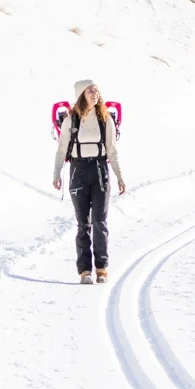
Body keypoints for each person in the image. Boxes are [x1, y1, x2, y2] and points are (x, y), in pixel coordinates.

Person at [53, 79, 126, 283]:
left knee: (99, 222)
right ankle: (85, 271)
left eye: (96, 90)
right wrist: (56, 174)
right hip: (78, 170)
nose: (95, 93)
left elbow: (111, 150)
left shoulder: (105, 120)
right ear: (81, 95)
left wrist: (119, 176)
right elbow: (61, 149)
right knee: (83, 224)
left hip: (100, 170)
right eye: (90, 90)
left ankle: (101, 268)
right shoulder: (71, 120)